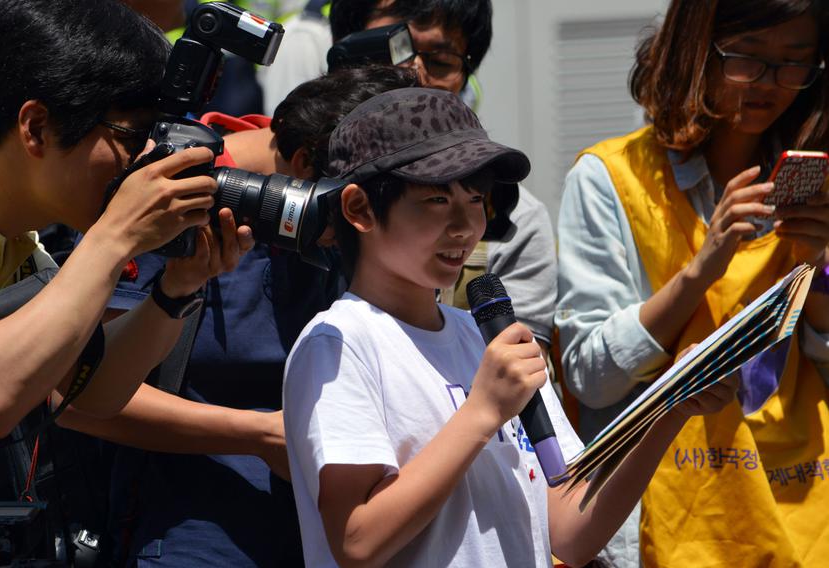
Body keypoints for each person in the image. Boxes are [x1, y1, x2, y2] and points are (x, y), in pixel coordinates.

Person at [282, 86, 738, 567]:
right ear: (359, 209)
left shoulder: (483, 338)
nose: (464, 225)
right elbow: (356, 541)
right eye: (437, 199)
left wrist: (665, 408)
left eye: (477, 199)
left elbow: (570, 533)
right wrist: (481, 411)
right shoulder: (340, 342)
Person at [0, 0, 254, 562]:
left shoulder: (18, 241)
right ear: (36, 127)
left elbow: (84, 389)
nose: (145, 164)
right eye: (132, 136)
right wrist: (114, 235)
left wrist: (176, 289)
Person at [57, 65, 419, 566]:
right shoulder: (172, 193)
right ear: (302, 163)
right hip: (194, 530)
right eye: (354, 206)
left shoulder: (336, 213)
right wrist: (258, 435)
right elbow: (72, 391)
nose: (362, 226)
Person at [555, 1, 829, 565]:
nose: (770, 84)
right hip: (670, 525)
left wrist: (823, 270)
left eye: (794, 63)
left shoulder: (813, 191)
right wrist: (704, 266)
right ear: (694, 49)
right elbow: (591, 378)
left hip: (804, 517)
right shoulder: (611, 177)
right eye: (747, 58)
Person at [260, 0, 492, 115]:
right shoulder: (306, 38)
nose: (415, 73)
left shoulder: (507, 205)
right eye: (394, 48)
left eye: (440, 61)